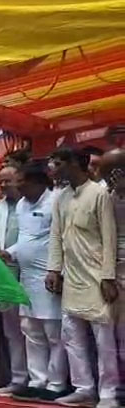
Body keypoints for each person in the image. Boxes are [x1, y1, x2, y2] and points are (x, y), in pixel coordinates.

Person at [47, 147, 119, 408]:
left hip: (97, 276)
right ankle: (84, 389)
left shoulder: (99, 193)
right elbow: (56, 235)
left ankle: (108, 393)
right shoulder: (61, 197)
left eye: (59, 163)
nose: (54, 168)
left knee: (103, 339)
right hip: (72, 277)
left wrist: (107, 277)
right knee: (71, 336)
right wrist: (53, 269)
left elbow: (109, 237)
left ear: (76, 163)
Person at [2, 162, 68, 403]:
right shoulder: (21, 205)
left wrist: (57, 270)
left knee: (54, 332)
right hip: (26, 277)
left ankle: (57, 384)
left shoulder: (56, 201)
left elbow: (61, 239)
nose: (18, 186)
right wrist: (9, 252)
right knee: (30, 330)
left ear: (38, 182)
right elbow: (26, 239)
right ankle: (37, 381)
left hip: (50, 277)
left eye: (22, 182)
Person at [0, 165, 28, 397]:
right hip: (5, 272)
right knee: (12, 330)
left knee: (35, 329)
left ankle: (41, 380)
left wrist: (11, 252)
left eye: (7, 180)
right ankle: (18, 378)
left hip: (30, 270)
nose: (3, 185)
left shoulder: (29, 203)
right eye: (0, 181)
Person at [100, 148, 125, 402]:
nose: (104, 177)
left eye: (108, 172)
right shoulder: (108, 195)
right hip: (114, 272)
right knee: (117, 333)